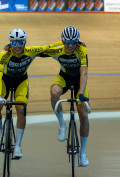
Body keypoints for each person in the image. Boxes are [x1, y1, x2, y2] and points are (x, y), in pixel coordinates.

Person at [0, 28, 57, 159]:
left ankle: (18, 146)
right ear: (10, 43)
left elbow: (48, 47)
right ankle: (0, 131)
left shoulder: (31, 52)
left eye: (20, 43)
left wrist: (67, 42)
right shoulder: (3, 55)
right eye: (14, 43)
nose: (17, 46)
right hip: (4, 81)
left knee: (21, 110)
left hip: (21, 81)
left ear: (25, 42)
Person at [39, 26, 90, 167]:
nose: (70, 45)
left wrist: (81, 94)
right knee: (54, 92)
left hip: (79, 81)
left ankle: (83, 153)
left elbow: (84, 73)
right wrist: (14, 47)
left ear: (77, 42)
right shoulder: (57, 48)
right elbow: (39, 50)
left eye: (73, 42)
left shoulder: (82, 50)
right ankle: (62, 125)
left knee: (84, 115)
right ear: (62, 41)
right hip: (64, 78)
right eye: (67, 42)